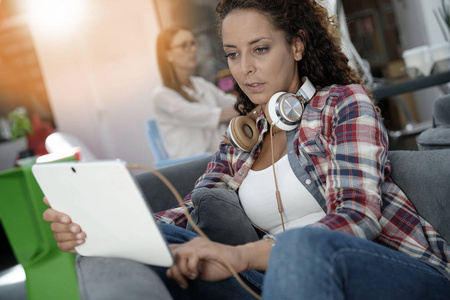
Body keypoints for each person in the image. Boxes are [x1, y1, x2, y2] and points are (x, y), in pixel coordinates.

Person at [43, 0, 450, 299]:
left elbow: (358, 217)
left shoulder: (342, 103)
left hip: (385, 272)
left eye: (260, 49)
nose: (245, 69)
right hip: (275, 284)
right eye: (233, 55)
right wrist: (94, 223)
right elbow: (188, 213)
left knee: (301, 245)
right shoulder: (245, 133)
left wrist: (246, 256)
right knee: (158, 240)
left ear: (296, 46)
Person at [152, 26, 238, 159]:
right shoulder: (162, 96)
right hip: (193, 166)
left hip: (220, 157)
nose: (193, 49)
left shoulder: (199, 84)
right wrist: (243, 108)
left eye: (193, 43)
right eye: (184, 45)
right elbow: (205, 116)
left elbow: (230, 101)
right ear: (167, 54)